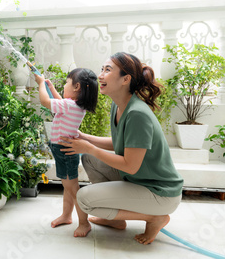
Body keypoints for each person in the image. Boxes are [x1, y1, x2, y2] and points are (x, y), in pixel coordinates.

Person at [58, 52, 184, 245]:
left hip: (159, 192)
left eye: (108, 70)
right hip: (139, 180)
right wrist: (84, 138)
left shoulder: (137, 114)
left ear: (126, 79)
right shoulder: (118, 106)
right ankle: (115, 220)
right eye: (102, 69)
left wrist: (88, 147)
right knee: (90, 160)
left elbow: (130, 165)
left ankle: (155, 218)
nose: (100, 75)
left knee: (85, 200)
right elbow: (119, 143)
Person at [34, 68, 99, 237]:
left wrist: (41, 84)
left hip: (64, 151)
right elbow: (60, 102)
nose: (64, 85)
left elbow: (45, 102)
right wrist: (52, 88)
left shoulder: (70, 105)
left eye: (67, 82)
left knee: (72, 188)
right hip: (63, 150)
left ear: (77, 87)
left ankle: (84, 223)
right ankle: (66, 215)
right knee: (68, 186)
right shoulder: (73, 106)